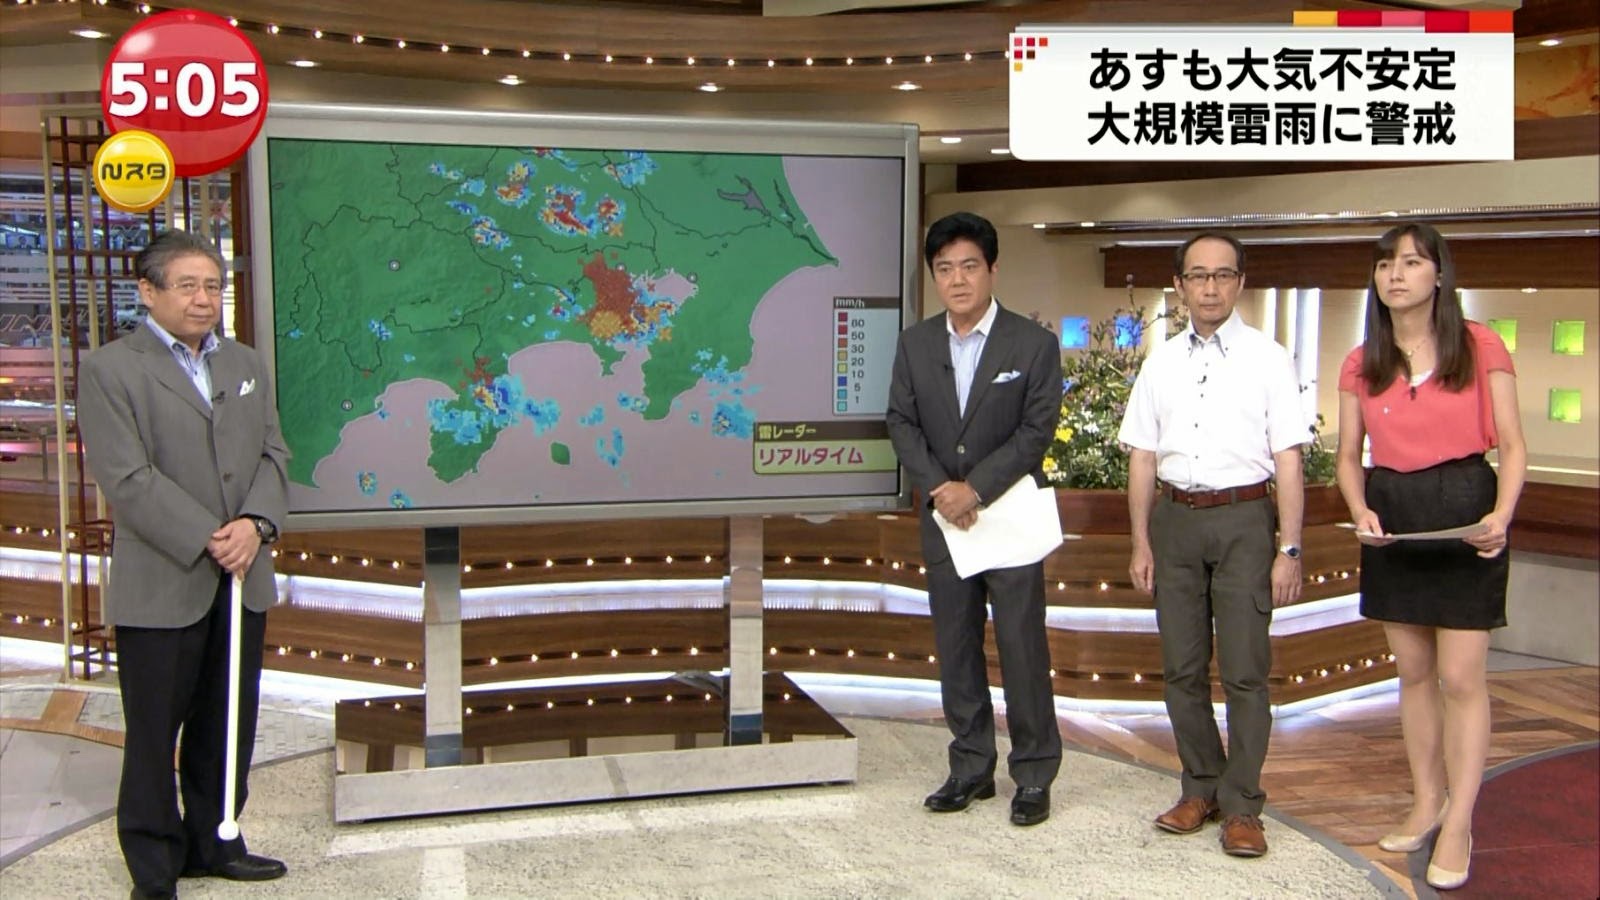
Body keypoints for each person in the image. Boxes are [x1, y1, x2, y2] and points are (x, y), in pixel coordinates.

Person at [76, 230, 290, 900]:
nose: (204, 300)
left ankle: (217, 840)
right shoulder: (111, 369)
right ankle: (154, 866)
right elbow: (127, 477)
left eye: (213, 286)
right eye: (188, 286)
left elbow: (273, 455)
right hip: (166, 577)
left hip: (242, 573)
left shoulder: (245, 363)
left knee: (227, 722)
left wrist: (255, 526)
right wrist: (210, 537)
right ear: (148, 292)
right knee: (152, 732)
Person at [1334, 222, 1524, 892]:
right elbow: (1347, 456)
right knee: (1413, 672)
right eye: (1386, 263)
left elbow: (1512, 444)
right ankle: (1427, 802)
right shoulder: (1362, 360)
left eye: (1412, 262)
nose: (1396, 274)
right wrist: (1359, 508)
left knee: (1461, 677)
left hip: (1467, 508)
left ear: (1439, 275)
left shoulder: (1481, 344)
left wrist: (1501, 516)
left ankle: (1461, 821)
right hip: (1395, 516)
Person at [1118, 232, 1306, 858]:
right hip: (1174, 521)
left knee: (1246, 672)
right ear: (1179, 286)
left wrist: (1290, 548)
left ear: (1240, 283)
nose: (1210, 287)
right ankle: (1200, 787)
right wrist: (1141, 542)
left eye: (1223, 275)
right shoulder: (1161, 362)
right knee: (1182, 669)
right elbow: (1142, 458)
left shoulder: (1268, 359)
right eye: (1198, 276)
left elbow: (1289, 458)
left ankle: (1243, 804)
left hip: (1245, 521)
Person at [886, 211, 1063, 826]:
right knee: (955, 648)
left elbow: (1036, 430)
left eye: (968, 266)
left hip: (1008, 518)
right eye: (944, 269)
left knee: (1022, 649)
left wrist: (975, 489)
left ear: (991, 269)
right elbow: (900, 421)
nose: (957, 280)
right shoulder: (915, 344)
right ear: (933, 277)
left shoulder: (1032, 344)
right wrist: (941, 490)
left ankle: (1033, 775)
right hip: (945, 521)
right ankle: (970, 767)